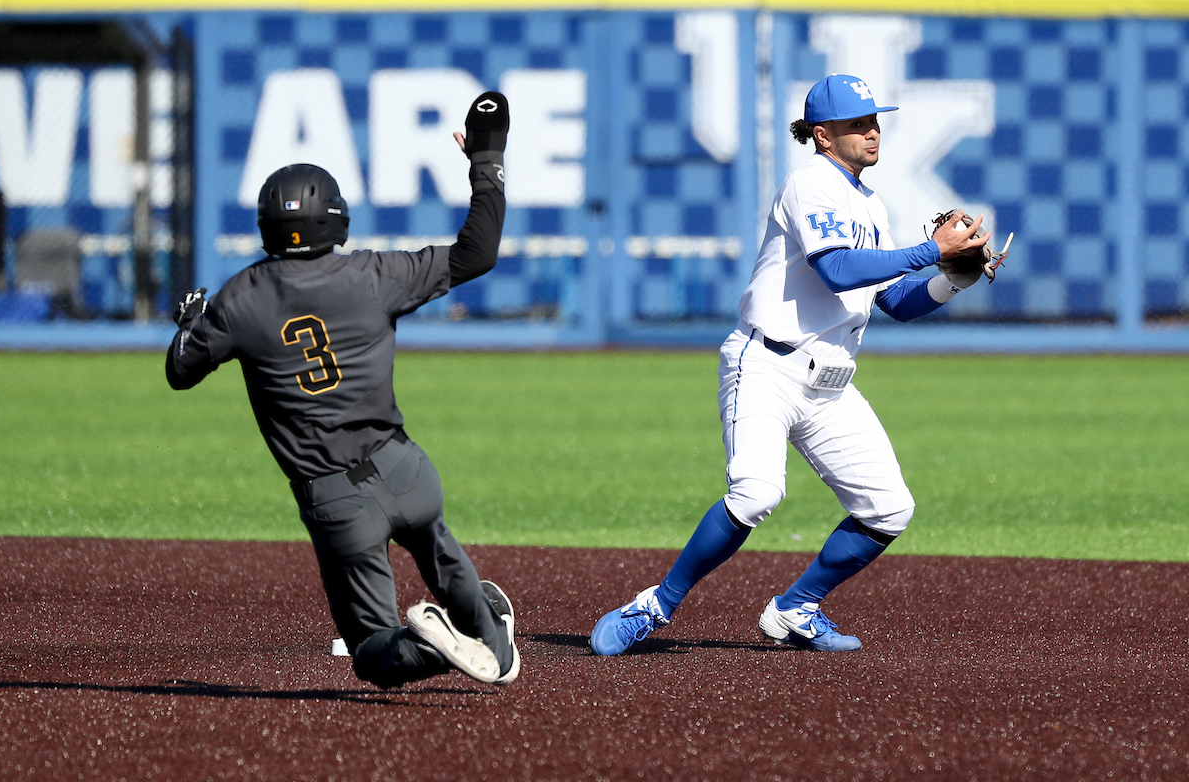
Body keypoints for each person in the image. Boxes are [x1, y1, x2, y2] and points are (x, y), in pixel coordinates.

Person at [590, 74, 993, 655]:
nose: (873, 131)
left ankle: (795, 609)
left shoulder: (871, 205)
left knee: (889, 509)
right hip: (767, 366)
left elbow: (891, 302)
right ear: (824, 136)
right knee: (755, 494)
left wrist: (951, 280)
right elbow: (837, 270)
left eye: (875, 120)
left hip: (829, 385)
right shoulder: (809, 185)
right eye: (859, 124)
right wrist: (934, 250)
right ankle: (653, 606)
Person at [166, 92, 520, 687]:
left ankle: (430, 646)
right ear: (336, 217)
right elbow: (478, 252)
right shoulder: (375, 275)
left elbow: (180, 371)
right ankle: (487, 635)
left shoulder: (239, 299)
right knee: (435, 541)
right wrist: (486, 159)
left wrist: (187, 326)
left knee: (373, 653)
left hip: (334, 498)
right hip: (403, 467)